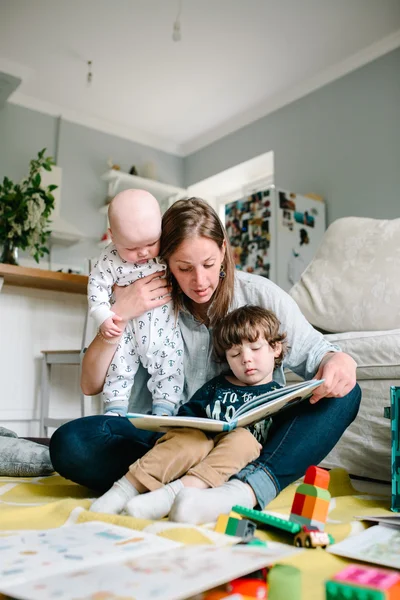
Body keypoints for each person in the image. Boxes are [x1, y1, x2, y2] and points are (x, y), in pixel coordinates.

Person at [50, 198, 361, 525]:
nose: (200, 280)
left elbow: (320, 355)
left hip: (246, 446)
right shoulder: (140, 296)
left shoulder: (259, 295)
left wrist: (338, 360)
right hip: (166, 444)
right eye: (184, 268)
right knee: (70, 443)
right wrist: (120, 314)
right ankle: (169, 482)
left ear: (224, 250)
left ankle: (243, 490)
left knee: (346, 394)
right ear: (165, 260)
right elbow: (90, 384)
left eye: (209, 264)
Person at [89, 305, 286, 520]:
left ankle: (170, 496)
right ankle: (124, 490)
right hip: (197, 448)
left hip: (228, 465)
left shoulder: (280, 396)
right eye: (235, 354)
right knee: (189, 439)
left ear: (275, 348)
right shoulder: (217, 386)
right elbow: (188, 413)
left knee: (243, 441)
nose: (246, 359)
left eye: (255, 349)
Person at [87, 188, 183, 417]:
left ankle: (165, 410)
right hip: (126, 328)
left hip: (164, 327)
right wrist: (103, 314)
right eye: (131, 248)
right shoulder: (109, 259)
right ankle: (115, 409)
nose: (143, 253)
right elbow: (96, 286)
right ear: (112, 235)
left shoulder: (167, 249)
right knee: (118, 366)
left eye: (151, 243)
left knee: (171, 363)